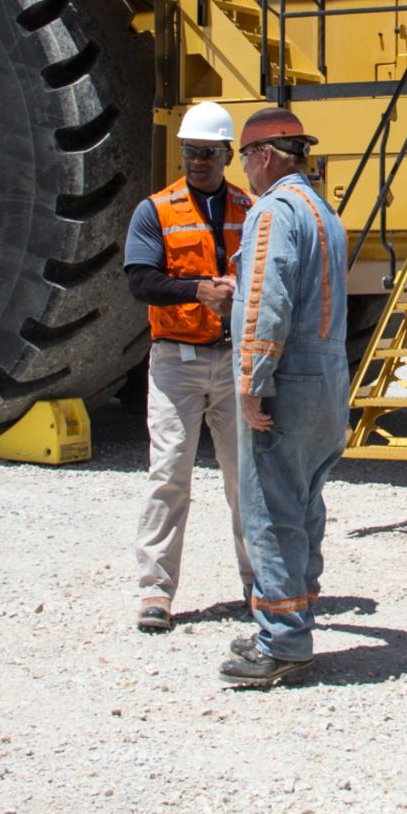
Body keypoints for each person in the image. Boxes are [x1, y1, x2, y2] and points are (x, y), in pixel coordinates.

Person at [220, 107, 351, 688]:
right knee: (305, 506)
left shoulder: (272, 211)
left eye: (243, 156)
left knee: (271, 511)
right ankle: (291, 619)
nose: (242, 168)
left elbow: (265, 303)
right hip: (327, 379)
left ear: (266, 156)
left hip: (289, 380)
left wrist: (251, 381)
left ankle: (283, 643)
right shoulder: (324, 211)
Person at [124, 101, 255, 634]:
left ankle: (260, 584)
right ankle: (155, 591)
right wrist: (201, 290)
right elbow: (140, 281)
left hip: (232, 362)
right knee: (170, 473)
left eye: (206, 153)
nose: (196, 161)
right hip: (176, 361)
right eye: (188, 152)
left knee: (245, 479)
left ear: (227, 154)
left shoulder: (251, 208)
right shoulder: (156, 210)